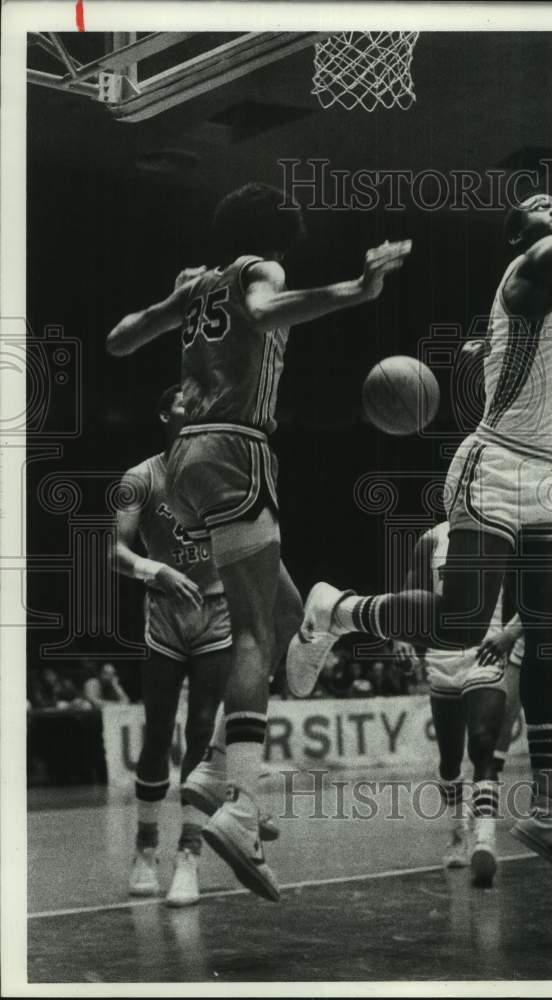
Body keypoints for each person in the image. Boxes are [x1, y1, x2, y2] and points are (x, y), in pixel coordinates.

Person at [288, 80, 552, 889]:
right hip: (495, 462)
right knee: (462, 623)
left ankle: (551, 813)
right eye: (540, 205)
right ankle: (335, 607)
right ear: (517, 235)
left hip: (549, 474)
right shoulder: (533, 269)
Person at [107, 183, 411, 901]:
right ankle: (241, 804)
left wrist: (168, 305)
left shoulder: (199, 286)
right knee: (251, 634)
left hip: (183, 464)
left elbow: (121, 339)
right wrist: (358, 288)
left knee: (286, 617)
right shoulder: (258, 270)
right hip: (237, 449)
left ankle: (217, 763)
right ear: (280, 237)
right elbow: (268, 309)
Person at [113, 385, 234, 907]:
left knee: (203, 730)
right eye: (186, 401)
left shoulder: (223, 474)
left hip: (216, 609)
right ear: (165, 413)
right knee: (158, 731)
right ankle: (145, 848)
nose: (196, 408)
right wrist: (154, 568)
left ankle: (188, 856)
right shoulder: (139, 479)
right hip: (164, 614)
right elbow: (113, 550)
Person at [479, 538, 552, 893]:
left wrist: (517, 627)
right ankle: (483, 837)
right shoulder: (521, 544)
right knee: (500, 727)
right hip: (524, 639)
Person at [405, 520, 509, 888]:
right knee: (450, 758)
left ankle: (486, 840)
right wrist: (406, 640)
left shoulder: (505, 533)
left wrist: (513, 637)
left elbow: (528, 595)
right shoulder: (430, 538)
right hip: (442, 655)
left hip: (487, 650)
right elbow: (413, 596)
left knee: (483, 743)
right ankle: (457, 832)